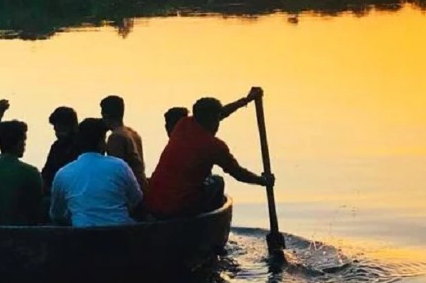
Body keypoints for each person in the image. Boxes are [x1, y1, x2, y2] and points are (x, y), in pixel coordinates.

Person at [145, 88, 273, 219]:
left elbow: (222, 113)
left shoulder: (182, 124)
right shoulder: (214, 146)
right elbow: (238, 173)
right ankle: (208, 222)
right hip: (178, 207)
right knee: (217, 182)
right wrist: (263, 181)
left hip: (153, 202)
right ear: (213, 120)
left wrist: (245, 101)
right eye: (217, 120)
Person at [49, 118, 143, 227]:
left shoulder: (63, 173)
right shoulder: (120, 166)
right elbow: (136, 200)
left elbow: (57, 214)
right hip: (120, 235)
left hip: (83, 237)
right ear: (102, 142)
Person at [0, 120, 43, 225]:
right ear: (19, 143)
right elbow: (36, 209)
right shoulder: (31, 173)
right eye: (24, 141)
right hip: (22, 235)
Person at [100, 95, 147, 189]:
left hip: (130, 191)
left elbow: (116, 171)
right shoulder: (133, 133)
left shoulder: (116, 137)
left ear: (105, 115)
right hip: (141, 185)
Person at [41, 106, 80, 194]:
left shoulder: (81, 146)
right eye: (56, 130)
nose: (58, 134)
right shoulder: (56, 146)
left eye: (62, 130)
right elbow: (46, 173)